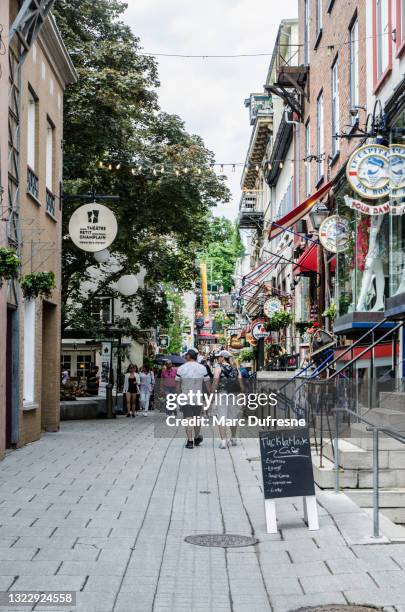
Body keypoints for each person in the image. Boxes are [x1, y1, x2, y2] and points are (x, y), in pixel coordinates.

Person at [175, 349, 210, 449]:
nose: (185, 356)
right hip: (198, 396)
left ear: (189, 356)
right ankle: (196, 437)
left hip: (186, 396)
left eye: (186, 355)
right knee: (197, 417)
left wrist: (178, 397)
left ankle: (190, 441)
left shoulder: (181, 368)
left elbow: (177, 385)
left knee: (188, 418)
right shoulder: (202, 368)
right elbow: (207, 383)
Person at [211, 350, 244, 449]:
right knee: (233, 417)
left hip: (222, 394)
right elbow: (241, 384)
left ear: (223, 358)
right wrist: (243, 397)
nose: (217, 359)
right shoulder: (236, 369)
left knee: (222, 418)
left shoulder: (218, 367)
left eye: (218, 357)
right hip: (235, 394)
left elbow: (215, 382)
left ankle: (223, 442)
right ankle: (233, 438)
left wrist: (212, 396)